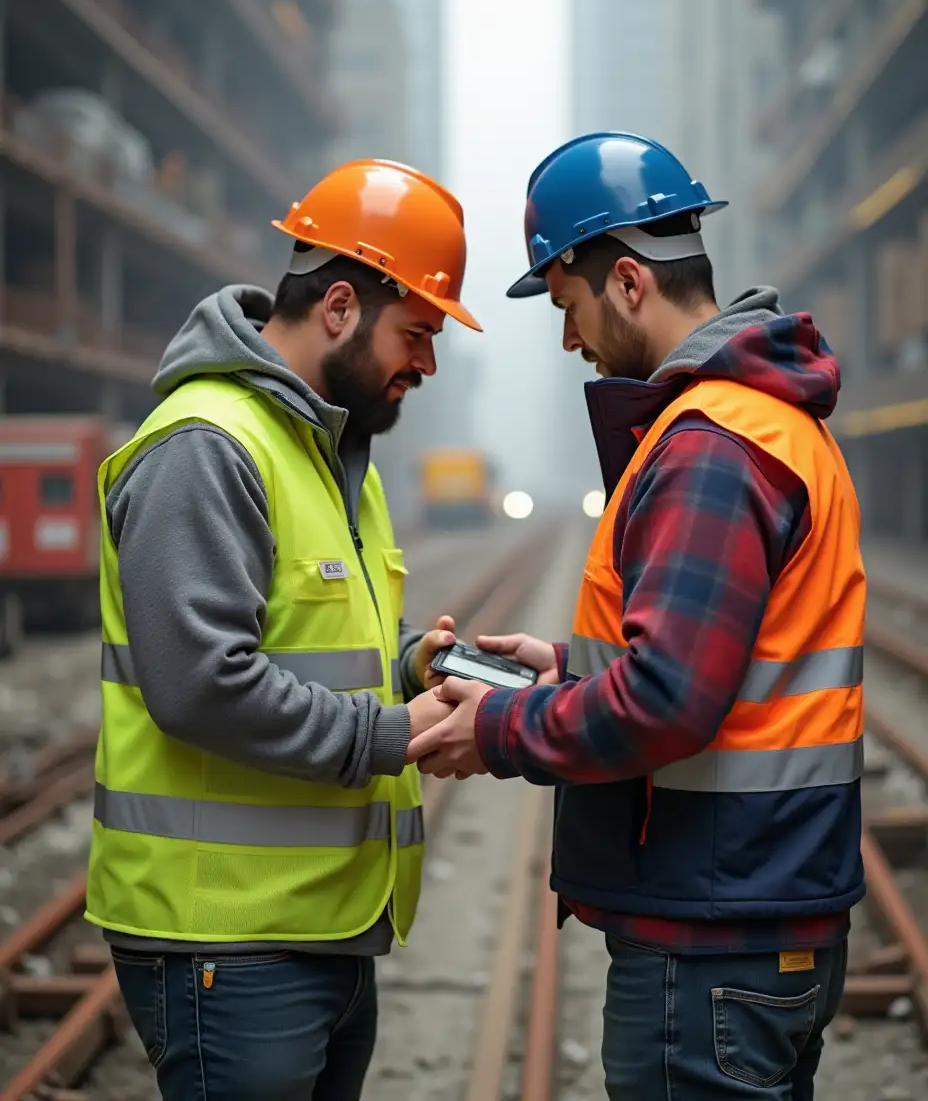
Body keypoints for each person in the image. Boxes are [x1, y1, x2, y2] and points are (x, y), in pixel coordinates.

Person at [408, 132, 864, 1100]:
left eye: (566, 305)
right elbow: (730, 660)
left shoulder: (708, 443)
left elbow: (664, 701)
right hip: (763, 905)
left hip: (710, 935)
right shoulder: (772, 419)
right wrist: (570, 666)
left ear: (623, 281)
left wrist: (497, 725)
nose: (569, 338)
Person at [86, 158, 482, 1100]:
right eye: (418, 332)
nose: (427, 363)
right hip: (222, 943)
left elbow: (297, 642)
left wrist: (408, 667)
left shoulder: (339, 457)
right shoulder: (207, 446)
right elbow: (202, 683)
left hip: (323, 929)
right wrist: (389, 733)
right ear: (339, 307)